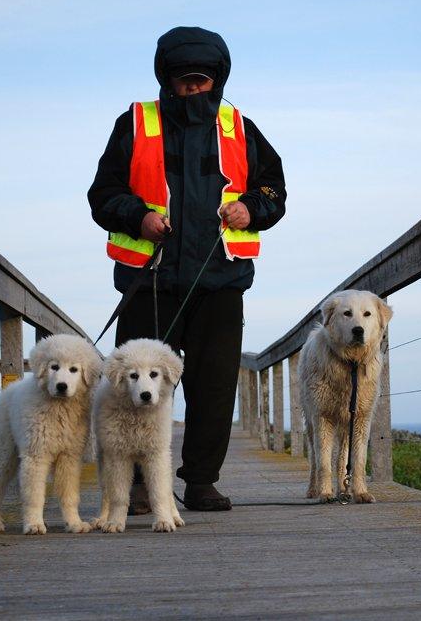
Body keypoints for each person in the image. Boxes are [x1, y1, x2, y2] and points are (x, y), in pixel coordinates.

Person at [87, 26, 286, 511]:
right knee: (130, 389)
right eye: (183, 81)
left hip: (222, 282)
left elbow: (274, 191)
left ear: (216, 79)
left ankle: (200, 482)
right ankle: (134, 488)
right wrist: (139, 217)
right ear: (166, 80)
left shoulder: (240, 126)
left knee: (214, 387)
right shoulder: (134, 123)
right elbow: (102, 196)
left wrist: (251, 209)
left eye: (201, 81)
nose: (192, 89)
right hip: (149, 281)